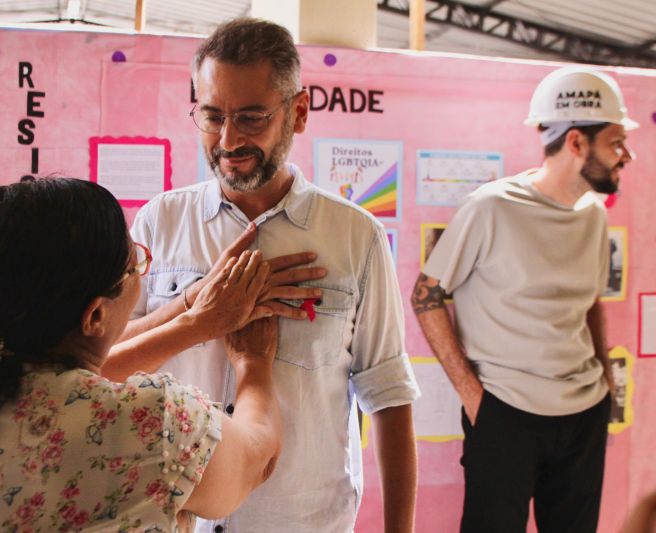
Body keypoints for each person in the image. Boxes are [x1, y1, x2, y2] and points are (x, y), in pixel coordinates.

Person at [103, 18, 420, 533]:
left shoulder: (354, 237)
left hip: (302, 521)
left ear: (297, 112)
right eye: (211, 117)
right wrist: (194, 307)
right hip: (175, 518)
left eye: (251, 118)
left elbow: (388, 395)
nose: (228, 140)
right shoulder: (159, 223)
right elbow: (107, 362)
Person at [0, 177, 285, 531]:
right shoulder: (154, 424)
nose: (143, 271)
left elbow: (70, 381)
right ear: (96, 314)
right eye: (136, 265)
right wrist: (254, 362)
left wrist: (190, 314)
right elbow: (256, 458)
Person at [411, 66, 637, 532]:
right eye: (616, 142)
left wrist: (606, 388)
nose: (626, 155)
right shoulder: (490, 207)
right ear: (576, 143)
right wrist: (476, 400)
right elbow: (426, 297)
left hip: (582, 415)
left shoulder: (593, 214)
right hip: (505, 414)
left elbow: (590, 302)